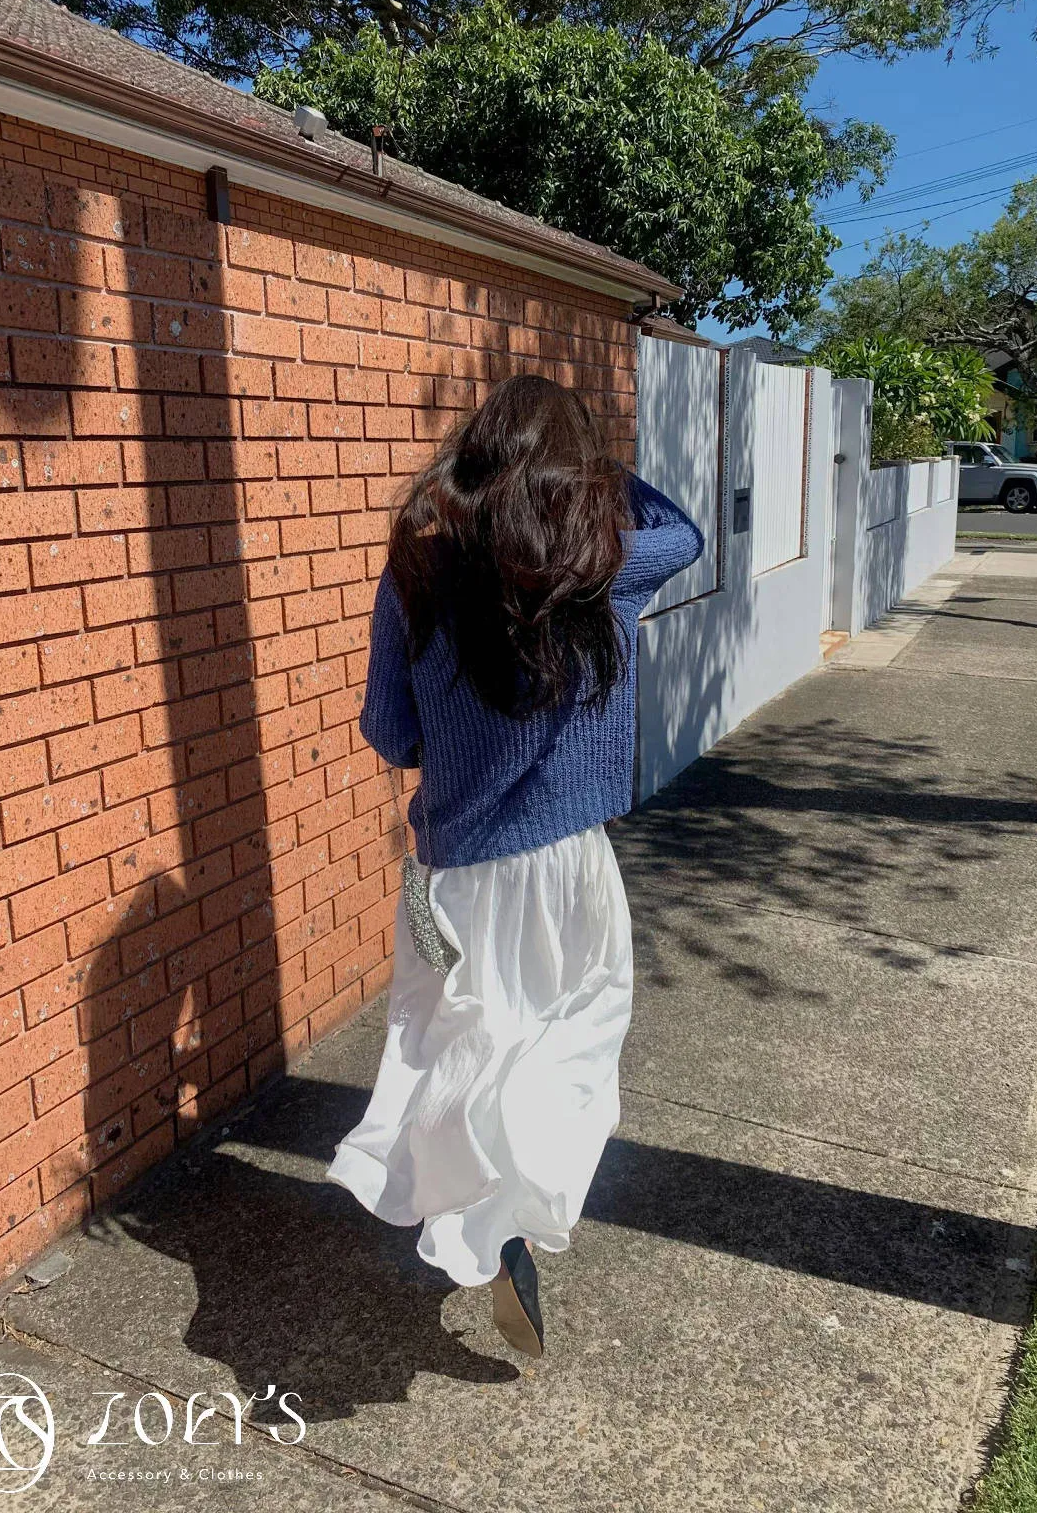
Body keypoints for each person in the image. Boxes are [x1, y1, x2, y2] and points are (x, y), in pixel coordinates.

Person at [327, 372, 703, 1358]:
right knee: (567, 1043)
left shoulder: (419, 569)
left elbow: (390, 732)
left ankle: (481, 1225)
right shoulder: (602, 564)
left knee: (451, 1053)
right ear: (577, 473)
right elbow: (687, 532)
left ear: (476, 454)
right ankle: (513, 1221)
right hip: (570, 863)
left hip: (458, 869)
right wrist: (598, 474)